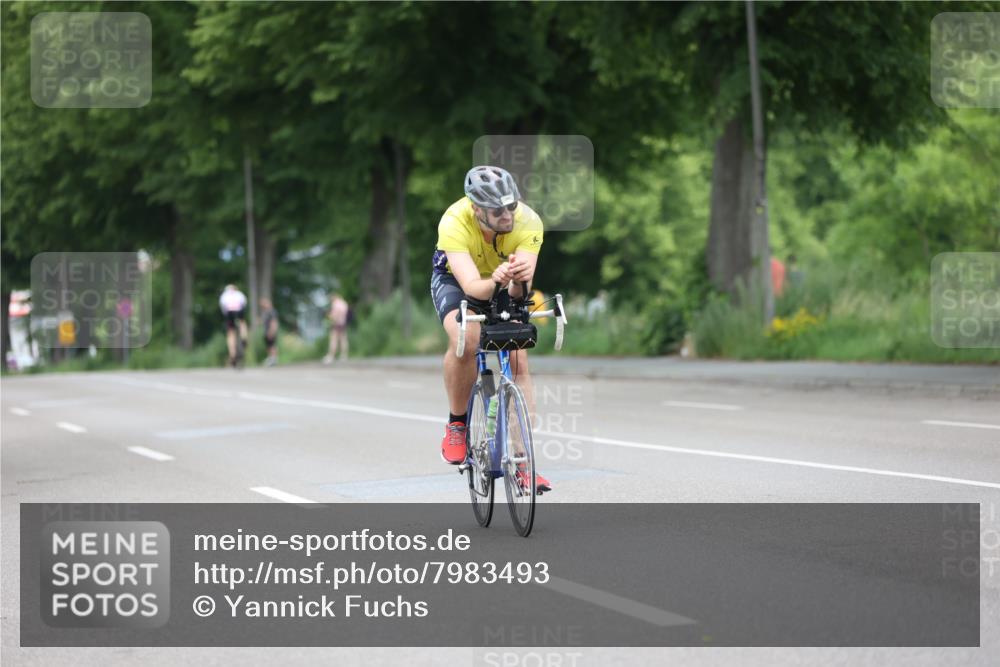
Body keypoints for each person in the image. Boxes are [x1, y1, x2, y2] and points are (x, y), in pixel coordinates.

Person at [430, 165, 551, 493]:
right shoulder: (454, 222)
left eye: (511, 206)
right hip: (458, 281)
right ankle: (457, 424)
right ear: (476, 209)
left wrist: (518, 280)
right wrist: (495, 280)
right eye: (498, 211)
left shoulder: (528, 222)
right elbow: (472, 287)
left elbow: (519, 296)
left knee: (517, 353)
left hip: (500, 281)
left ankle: (523, 462)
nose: (507, 216)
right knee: (466, 339)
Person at [219, 284, 248, 367]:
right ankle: (244, 337)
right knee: (242, 322)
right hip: (239, 310)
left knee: (231, 333)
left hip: (229, 312)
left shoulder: (224, 295)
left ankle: (232, 354)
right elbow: (244, 304)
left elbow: (223, 308)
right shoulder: (239, 294)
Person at [323, 293, 350, 364]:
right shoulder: (344, 303)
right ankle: (344, 355)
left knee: (333, 340)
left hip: (336, 324)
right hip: (343, 323)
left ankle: (331, 356)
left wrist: (328, 316)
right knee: (343, 340)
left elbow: (334, 316)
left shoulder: (335, 304)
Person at [260, 297, 279, 366]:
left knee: (272, 345)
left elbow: (274, 322)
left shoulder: (271, 311)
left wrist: (272, 331)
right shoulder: (265, 312)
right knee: (268, 345)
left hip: (270, 331)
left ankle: (274, 359)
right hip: (266, 331)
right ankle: (270, 358)